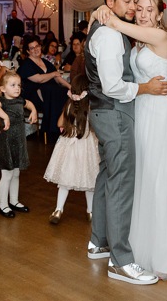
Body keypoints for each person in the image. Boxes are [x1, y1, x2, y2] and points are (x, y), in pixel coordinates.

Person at [92, 0, 167, 280]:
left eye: (149, 9)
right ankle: (135, 246)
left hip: (159, 114)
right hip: (140, 110)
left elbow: (114, 22)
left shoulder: (160, 37)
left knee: (157, 176)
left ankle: (163, 251)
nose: (142, 13)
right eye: (139, 8)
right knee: (139, 177)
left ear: (160, 14)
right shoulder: (138, 41)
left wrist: (100, 12)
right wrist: (99, 13)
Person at [84, 0, 167, 286]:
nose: (134, 6)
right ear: (111, 3)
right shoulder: (109, 35)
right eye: (128, 1)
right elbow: (113, 86)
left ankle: (99, 242)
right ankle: (121, 261)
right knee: (121, 182)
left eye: (137, 1)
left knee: (108, 175)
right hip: (114, 113)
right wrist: (145, 87)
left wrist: (99, 11)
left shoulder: (109, 27)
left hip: (104, 112)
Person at [43, 74, 100, 224]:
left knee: (65, 180)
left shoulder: (69, 105)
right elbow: (95, 128)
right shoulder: (90, 107)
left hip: (68, 146)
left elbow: (59, 123)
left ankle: (58, 210)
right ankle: (91, 211)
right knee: (90, 180)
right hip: (87, 145)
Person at [0, 71, 37, 218]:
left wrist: (33, 110)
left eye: (19, 85)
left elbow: (29, 103)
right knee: (7, 174)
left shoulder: (20, 100)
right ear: (3, 89)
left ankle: (14, 201)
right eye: (13, 85)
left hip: (19, 142)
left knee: (16, 173)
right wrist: (4, 116)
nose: (17, 88)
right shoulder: (2, 101)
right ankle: (3, 205)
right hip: (8, 143)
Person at [17, 34, 70, 140]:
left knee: (63, 91)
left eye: (37, 46)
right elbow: (39, 79)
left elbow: (58, 77)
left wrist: (70, 86)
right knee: (50, 89)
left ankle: (62, 126)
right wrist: (53, 74)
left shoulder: (46, 62)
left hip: (49, 94)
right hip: (33, 96)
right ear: (28, 51)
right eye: (32, 48)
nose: (36, 49)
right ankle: (51, 131)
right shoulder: (26, 64)